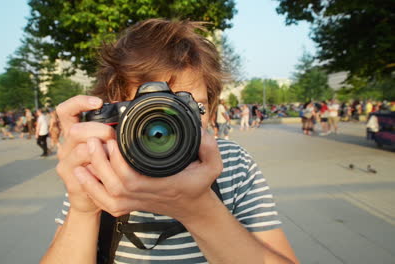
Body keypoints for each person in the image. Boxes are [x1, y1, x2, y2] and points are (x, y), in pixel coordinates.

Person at [42, 19, 298, 264]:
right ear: (116, 114)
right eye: (150, 110)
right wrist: (84, 208)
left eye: (191, 105)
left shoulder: (233, 164)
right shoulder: (99, 168)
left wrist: (199, 210)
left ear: (211, 111)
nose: (173, 123)